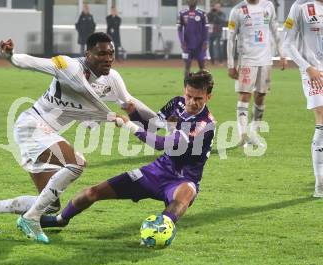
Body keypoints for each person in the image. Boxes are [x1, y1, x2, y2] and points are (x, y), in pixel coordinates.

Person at [0, 32, 157, 243]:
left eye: (111, 53)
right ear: (87, 53)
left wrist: (161, 122)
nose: (108, 58)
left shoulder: (112, 79)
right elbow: (32, 63)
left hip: (47, 133)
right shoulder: (67, 66)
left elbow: (129, 102)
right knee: (77, 163)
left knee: (50, 204)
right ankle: (31, 218)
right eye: (101, 53)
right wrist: (11, 56)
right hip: (32, 125)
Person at [39, 71, 216, 238]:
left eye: (198, 99)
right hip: (157, 171)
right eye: (189, 96)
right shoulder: (177, 103)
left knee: (184, 195)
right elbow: (153, 127)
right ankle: (60, 219)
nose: (192, 102)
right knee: (94, 192)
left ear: (209, 97)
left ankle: (162, 228)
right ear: (184, 92)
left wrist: (128, 125)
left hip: (184, 179)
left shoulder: (204, 124)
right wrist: (133, 112)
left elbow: (163, 144)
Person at [227, 0, 287, 146]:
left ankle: (253, 133)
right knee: (245, 95)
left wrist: (282, 54)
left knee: (260, 96)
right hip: (246, 60)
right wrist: (230, 64)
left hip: (265, 60)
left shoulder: (268, 6)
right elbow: (230, 39)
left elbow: (274, 29)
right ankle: (242, 136)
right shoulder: (237, 10)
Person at [282, 0, 323, 197]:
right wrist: (308, 68)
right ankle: (320, 185)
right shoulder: (300, 6)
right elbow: (287, 43)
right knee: (322, 116)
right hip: (313, 73)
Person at [178, 0, 209, 79]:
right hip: (187, 46)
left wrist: (205, 41)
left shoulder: (202, 13)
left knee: (202, 67)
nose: (191, 1)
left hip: (200, 45)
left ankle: (204, 89)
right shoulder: (182, 13)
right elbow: (179, 29)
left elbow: (206, 29)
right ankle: (186, 88)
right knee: (187, 66)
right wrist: (182, 42)